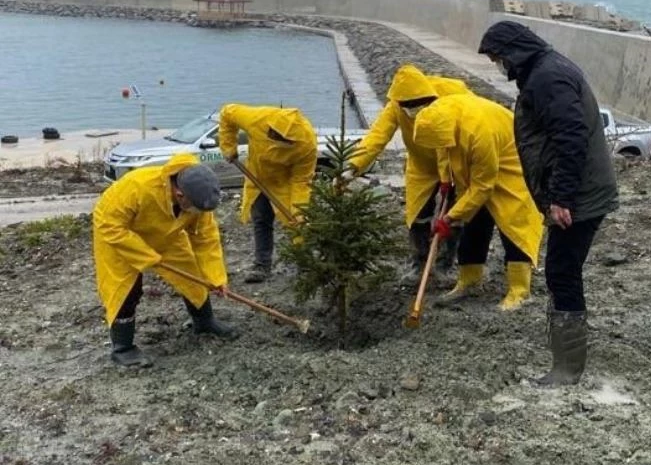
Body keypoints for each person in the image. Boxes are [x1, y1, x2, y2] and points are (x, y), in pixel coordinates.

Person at [478, 20, 619, 385]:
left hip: (579, 194)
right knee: (562, 269)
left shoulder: (547, 78)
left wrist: (561, 197)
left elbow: (570, 137)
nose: (499, 66)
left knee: (561, 270)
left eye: (498, 59)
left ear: (512, 52)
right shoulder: (546, 70)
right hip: (580, 190)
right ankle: (566, 362)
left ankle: (567, 369)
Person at [93, 155, 236, 368]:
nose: (198, 213)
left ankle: (204, 321)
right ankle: (123, 348)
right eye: (195, 208)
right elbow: (109, 225)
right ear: (179, 194)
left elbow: (205, 239)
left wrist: (216, 277)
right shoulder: (137, 186)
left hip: (168, 235)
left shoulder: (197, 201)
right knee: (125, 290)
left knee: (193, 274)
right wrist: (147, 256)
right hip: (121, 238)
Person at [412, 93, 544, 311]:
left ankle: (520, 291)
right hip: (480, 169)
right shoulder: (439, 118)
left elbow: (483, 187)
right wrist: (445, 182)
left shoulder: (480, 133)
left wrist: (450, 216)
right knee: (474, 223)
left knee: (515, 227)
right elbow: (444, 150)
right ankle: (470, 279)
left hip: (512, 167)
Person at [341, 64, 470, 284]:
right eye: (407, 106)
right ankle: (419, 264)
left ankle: (445, 265)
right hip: (421, 165)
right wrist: (353, 166)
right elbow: (377, 136)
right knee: (417, 213)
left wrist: (448, 179)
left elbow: (467, 129)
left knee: (453, 214)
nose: (413, 110)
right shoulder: (396, 107)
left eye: (417, 104)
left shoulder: (453, 94)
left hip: (454, 161)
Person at [218, 103, 317, 282]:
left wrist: (300, 210)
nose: (272, 136)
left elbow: (301, 181)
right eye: (271, 133)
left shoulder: (306, 145)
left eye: (277, 137)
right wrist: (228, 147)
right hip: (256, 177)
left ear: (290, 140)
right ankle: (262, 266)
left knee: (296, 222)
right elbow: (227, 113)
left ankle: (305, 264)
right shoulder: (258, 118)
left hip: (283, 184)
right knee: (261, 220)